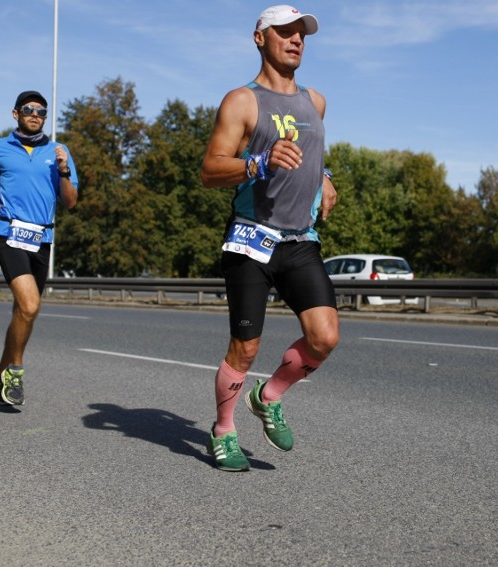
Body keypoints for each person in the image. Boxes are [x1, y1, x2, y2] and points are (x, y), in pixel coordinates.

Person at [200, 5, 339, 471]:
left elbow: (314, 151)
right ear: (260, 39)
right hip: (251, 239)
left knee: (324, 337)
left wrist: (325, 178)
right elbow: (210, 169)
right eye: (285, 32)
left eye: (302, 34)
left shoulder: (316, 101)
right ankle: (223, 430)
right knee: (246, 347)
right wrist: (258, 161)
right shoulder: (242, 101)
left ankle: (270, 394)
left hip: (300, 238)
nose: (297, 39)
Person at [0, 90, 79, 406]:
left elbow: (70, 202)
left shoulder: (59, 151)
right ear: (15, 114)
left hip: (42, 238)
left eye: (41, 111)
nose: (35, 115)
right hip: (8, 231)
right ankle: (15, 372)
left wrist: (63, 170)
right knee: (30, 305)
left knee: (24, 312)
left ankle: (0, 371)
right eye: (29, 110)